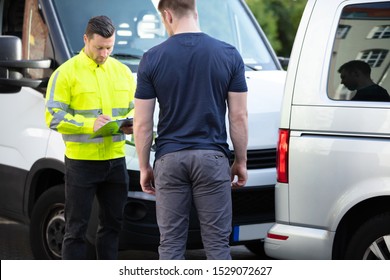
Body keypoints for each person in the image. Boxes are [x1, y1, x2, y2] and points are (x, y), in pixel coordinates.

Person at [133, 0, 248, 260]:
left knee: (171, 245)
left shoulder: (151, 58)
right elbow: (239, 116)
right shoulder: (229, 54)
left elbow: (142, 123)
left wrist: (144, 167)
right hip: (212, 158)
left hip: (169, 159)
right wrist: (240, 161)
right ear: (196, 13)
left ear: (167, 15)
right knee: (217, 246)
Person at [45, 15, 136, 259]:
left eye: (109, 48)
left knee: (113, 227)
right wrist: (89, 125)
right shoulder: (65, 73)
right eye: (99, 47)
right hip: (81, 164)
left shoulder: (124, 72)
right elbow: (53, 117)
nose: (104, 53)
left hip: (116, 161)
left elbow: (134, 108)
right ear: (86, 39)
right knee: (75, 230)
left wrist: (131, 123)